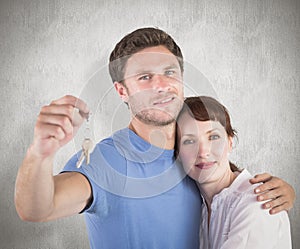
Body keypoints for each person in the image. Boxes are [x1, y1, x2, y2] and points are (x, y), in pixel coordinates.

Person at [15, 27, 295, 248]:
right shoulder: (107, 161)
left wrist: (280, 193)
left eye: (169, 72)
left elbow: (229, 192)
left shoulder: (193, 157)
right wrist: (40, 153)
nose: (161, 85)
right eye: (145, 77)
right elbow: (38, 208)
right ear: (122, 91)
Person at [176, 96, 292, 249]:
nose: (203, 152)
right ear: (177, 153)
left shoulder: (258, 202)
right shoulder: (198, 205)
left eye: (213, 137)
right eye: (189, 141)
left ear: (230, 143)